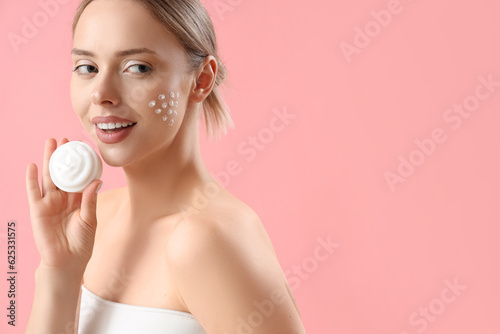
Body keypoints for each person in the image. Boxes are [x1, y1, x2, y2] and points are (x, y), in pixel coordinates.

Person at [24, 0, 305, 333]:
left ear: (201, 80)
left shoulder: (205, 239)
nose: (101, 93)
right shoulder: (91, 222)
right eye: (87, 67)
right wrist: (59, 273)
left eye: (138, 67)